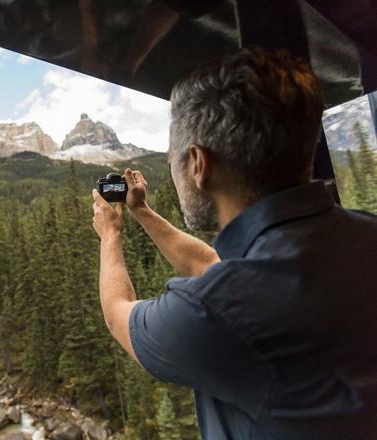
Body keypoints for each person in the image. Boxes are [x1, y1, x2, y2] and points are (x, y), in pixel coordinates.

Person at [91, 48, 377, 439]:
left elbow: (117, 312)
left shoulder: (215, 311)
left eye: (173, 161)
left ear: (198, 164)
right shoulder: (362, 232)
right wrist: (141, 212)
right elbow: (211, 265)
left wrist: (111, 235)